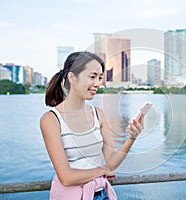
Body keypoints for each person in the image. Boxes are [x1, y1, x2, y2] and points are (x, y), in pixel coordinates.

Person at [40, 51, 144, 200]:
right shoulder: (50, 120)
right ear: (72, 78)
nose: (98, 83)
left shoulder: (98, 114)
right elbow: (66, 177)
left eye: (100, 77)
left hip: (101, 194)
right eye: (92, 77)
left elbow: (111, 164)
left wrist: (132, 138)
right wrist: (102, 171)